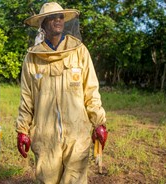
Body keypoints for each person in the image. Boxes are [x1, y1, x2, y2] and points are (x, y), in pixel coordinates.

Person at [16, 2, 108, 183]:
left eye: (60, 17)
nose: (57, 20)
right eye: (52, 17)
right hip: (45, 136)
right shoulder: (33, 57)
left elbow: (91, 90)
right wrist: (22, 130)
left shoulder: (79, 51)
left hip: (77, 133)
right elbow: (27, 97)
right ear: (42, 23)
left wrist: (99, 122)